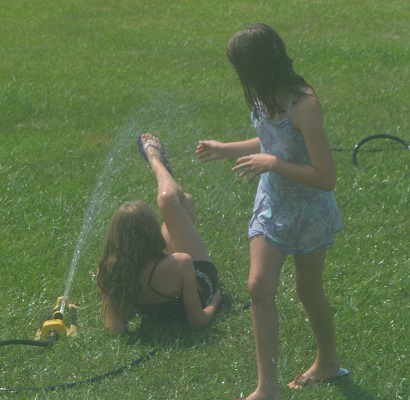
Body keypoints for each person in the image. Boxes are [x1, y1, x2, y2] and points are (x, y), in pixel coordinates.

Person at [196, 23, 349, 400]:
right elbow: (270, 140)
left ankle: (327, 362)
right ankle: (268, 389)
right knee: (259, 288)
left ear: (258, 65)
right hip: (273, 206)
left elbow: (326, 177)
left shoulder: (304, 105)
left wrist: (273, 163)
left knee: (307, 290)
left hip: (310, 209)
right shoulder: (263, 97)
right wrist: (226, 148)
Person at [97, 133, 221, 334]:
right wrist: (214, 302)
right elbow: (197, 321)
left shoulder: (109, 270)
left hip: (156, 280)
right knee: (176, 202)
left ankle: (174, 191)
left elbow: (115, 328)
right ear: (152, 232)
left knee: (182, 203)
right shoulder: (181, 263)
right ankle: (158, 165)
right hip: (199, 279)